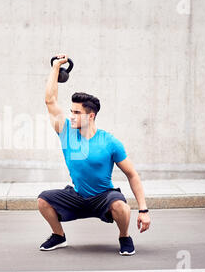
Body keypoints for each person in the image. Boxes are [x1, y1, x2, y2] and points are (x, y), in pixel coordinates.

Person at [38, 54, 151, 255]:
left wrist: (143, 210)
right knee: (43, 200)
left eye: (76, 113)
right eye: (71, 111)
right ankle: (58, 236)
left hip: (103, 197)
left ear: (91, 116)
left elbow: (132, 174)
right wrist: (55, 68)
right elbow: (50, 100)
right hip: (78, 196)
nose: (71, 116)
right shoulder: (66, 133)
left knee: (121, 206)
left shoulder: (110, 142)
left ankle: (124, 237)